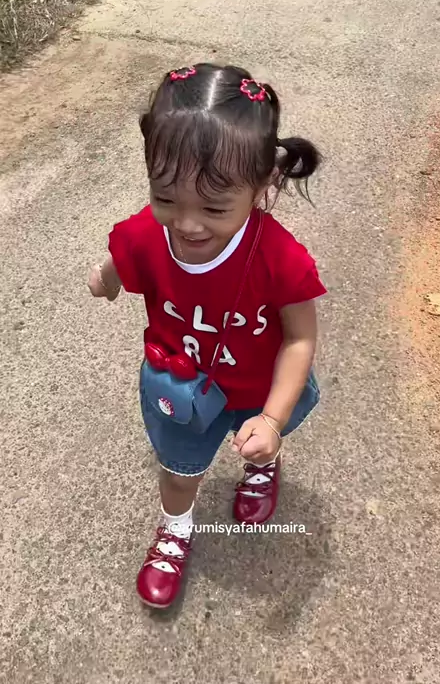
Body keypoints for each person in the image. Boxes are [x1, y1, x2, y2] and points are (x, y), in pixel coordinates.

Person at [88, 63, 327, 609]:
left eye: (215, 207)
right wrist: (105, 279)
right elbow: (124, 256)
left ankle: (262, 465)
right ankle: (176, 528)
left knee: (257, 439)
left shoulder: (281, 259)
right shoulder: (147, 233)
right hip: (180, 388)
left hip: (259, 389)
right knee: (178, 472)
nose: (188, 223)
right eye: (166, 198)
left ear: (263, 188)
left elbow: (298, 340)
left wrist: (273, 419)